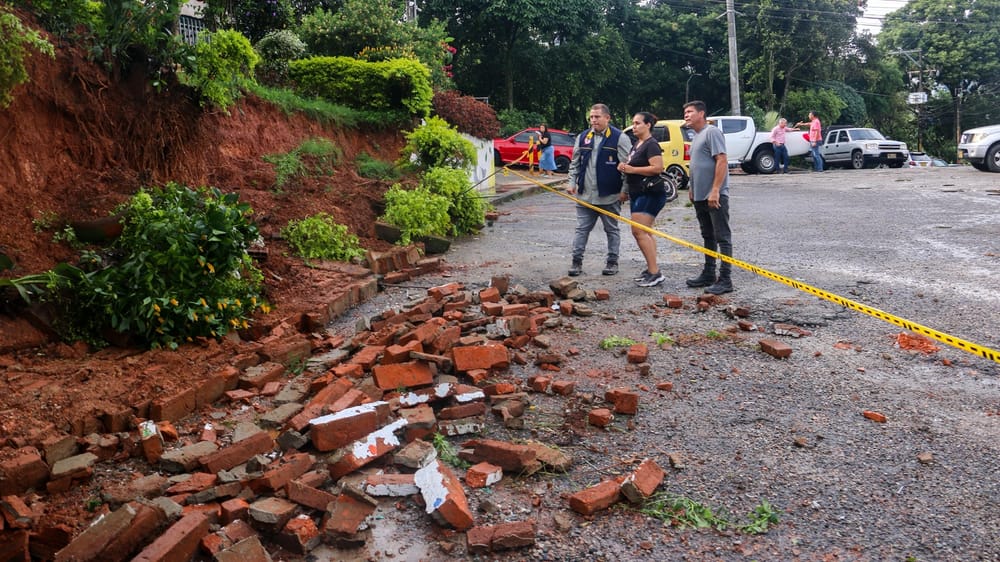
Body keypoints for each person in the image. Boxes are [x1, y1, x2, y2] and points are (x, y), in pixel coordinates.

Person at [566, 103, 632, 277]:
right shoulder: (583, 137)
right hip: (585, 195)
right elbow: (575, 163)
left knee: (612, 230)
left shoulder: (619, 138)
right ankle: (576, 262)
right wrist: (571, 182)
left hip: (610, 196)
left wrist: (625, 190)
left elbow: (627, 166)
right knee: (581, 229)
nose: (593, 120)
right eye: (591, 117)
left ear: (607, 118)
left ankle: (612, 262)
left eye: (597, 117)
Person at [683, 100, 733, 294]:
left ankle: (726, 279)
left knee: (722, 236)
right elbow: (697, 165)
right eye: (685, 112)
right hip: (700, 196)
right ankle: (709, 273)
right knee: (707, 235)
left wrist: (715, 190)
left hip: (715, 195)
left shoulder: (711, 132)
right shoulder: (696, 136)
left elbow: (721, 160)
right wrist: (691, 187)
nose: (686, 115)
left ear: (701, 113)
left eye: (690, 112)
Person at [618, 112, 666, 287]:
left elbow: (657, 168)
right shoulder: (637, 144)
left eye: (638, 123)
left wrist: (632, 170)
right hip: (637, 192)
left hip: (650, 193)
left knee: (638, 232)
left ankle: (655, 273)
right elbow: (632, 165)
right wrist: (624, 167)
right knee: (645, 232)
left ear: (648, 125)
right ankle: (652, 268)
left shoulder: (651, 145)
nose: (634, 126)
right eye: (633, 123)